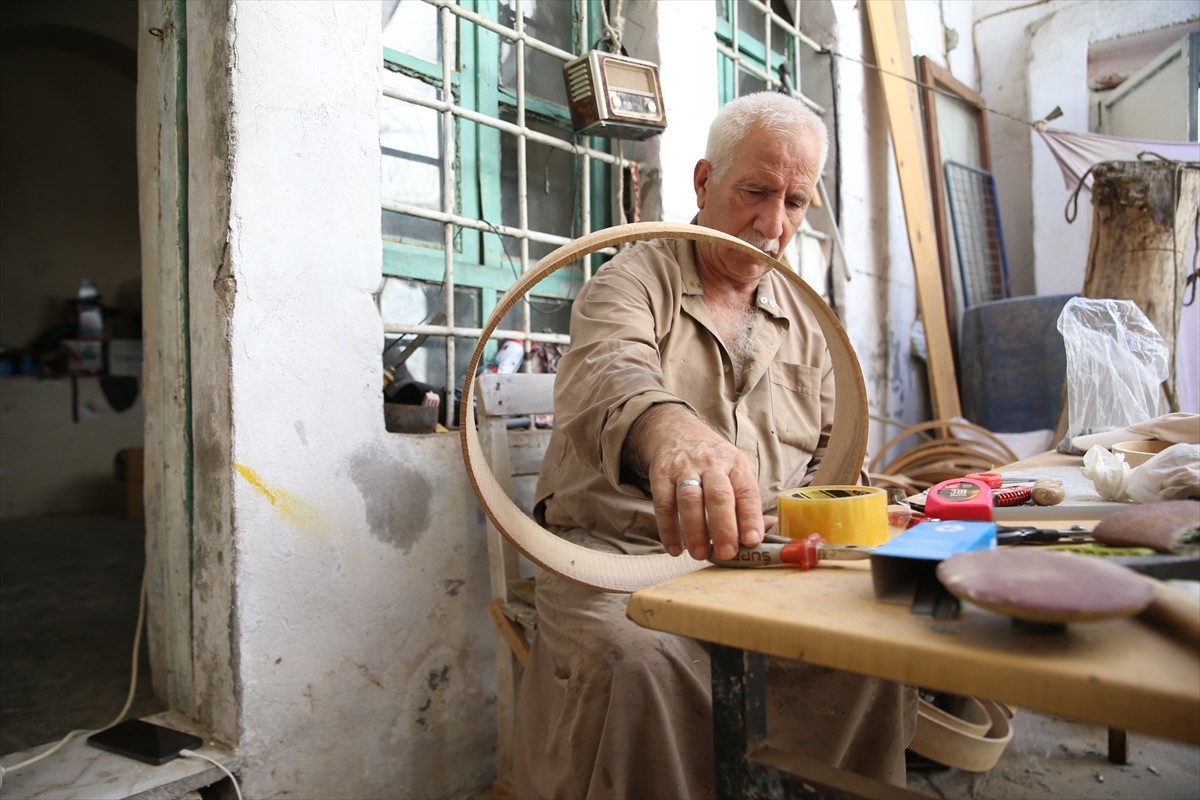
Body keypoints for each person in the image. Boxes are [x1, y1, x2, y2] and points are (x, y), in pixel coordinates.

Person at [512, 92, 917, 799]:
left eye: (796, 203)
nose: (772, 225)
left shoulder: (805, 315)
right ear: (704, 182)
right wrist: (672, 436)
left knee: (878, 641)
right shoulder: (631, 281)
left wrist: (886, 507)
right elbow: (611, 372)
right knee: (635, 659)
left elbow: (834, 455)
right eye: (755, 193)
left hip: (763, 561)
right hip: (619, 562)